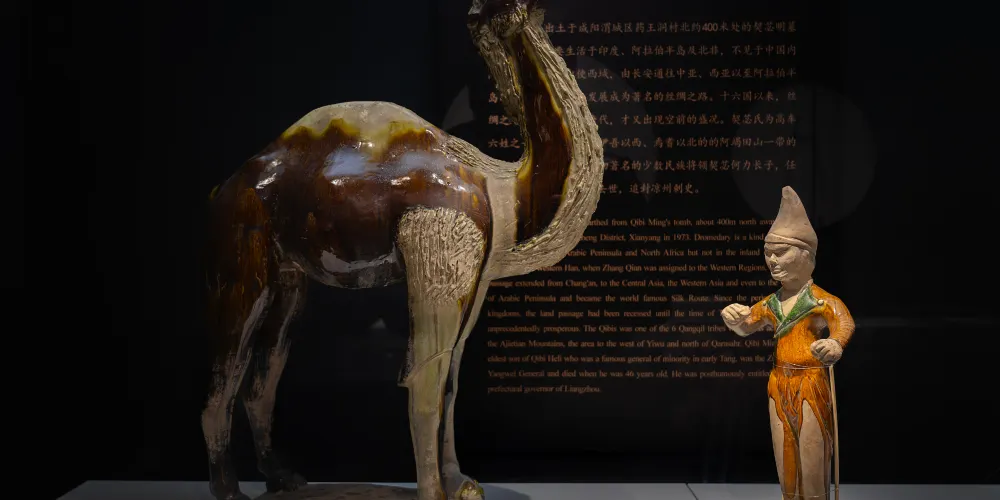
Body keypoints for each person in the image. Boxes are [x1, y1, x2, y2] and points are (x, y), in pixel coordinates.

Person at [721, 186, 855, 500]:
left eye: (781, 253)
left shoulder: (821, 300)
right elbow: (747, 324)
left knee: (812, 453)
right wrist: (734, 319)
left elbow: (844, 322)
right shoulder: (772, 302)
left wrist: (835, 344)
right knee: (786, 455)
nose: (772, 260)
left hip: (810, 382)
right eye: (768, 253)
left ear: (806, 255)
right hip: (779, 382)